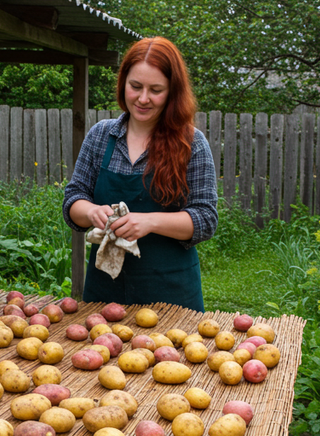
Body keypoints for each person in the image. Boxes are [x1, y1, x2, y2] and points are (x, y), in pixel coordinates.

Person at [63, 36, 217, 312]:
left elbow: (206, 219)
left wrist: (149, 222)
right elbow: (73, 199)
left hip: (171, 297)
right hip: (104, 295)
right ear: (123, 83)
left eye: (156, 90)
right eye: (135, 86)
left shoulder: (192, 143)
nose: (143, 98)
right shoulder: (101, 136)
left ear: (172, 92)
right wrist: (91, 212)